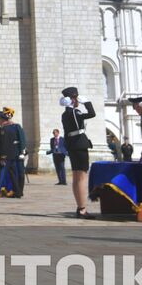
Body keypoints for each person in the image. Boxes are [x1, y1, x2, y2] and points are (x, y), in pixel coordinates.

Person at [60, 87, 97, 217]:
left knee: (76, 177)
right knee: (81, 177)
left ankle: (79, 206)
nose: (77, 101)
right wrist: (87, 103)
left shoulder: (65, 114)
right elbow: (92, 114)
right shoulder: (75, 113)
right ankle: (82, 209)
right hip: (79, 145)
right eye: (75, 98)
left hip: (72, 145)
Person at [0, 108, 27, 197]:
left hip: (18, 154)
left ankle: (19, 191)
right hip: (9, 155)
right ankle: (16, 192)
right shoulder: (3, 128)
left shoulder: (16, 126)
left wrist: (22, 151)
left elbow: (22, 139)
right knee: (13, 174)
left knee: (20, 174)